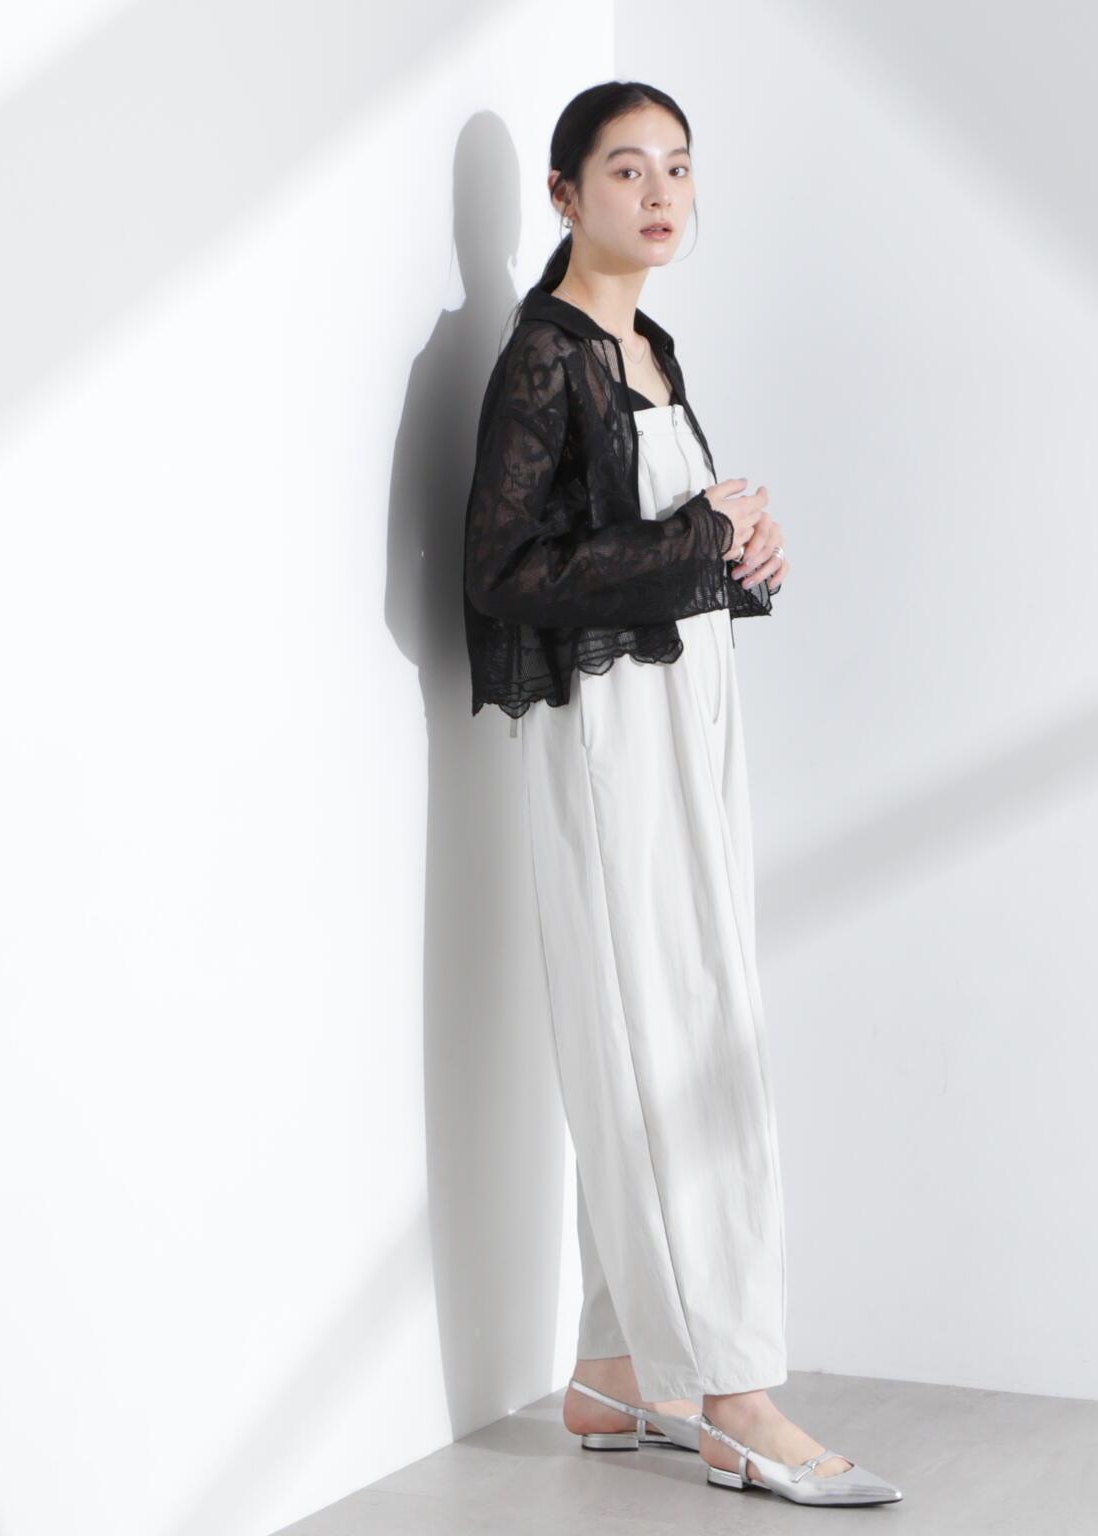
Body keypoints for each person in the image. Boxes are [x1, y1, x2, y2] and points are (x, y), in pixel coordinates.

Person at [461, 82, 902, 1508]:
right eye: (626, 170)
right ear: (563, 194)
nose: (660, 196)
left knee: (679, 1015)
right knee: (672, 1034)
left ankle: (610, 1371)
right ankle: (734, 1395)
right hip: (608, 742)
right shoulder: (545, 357)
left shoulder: (650, 348)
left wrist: (737, 554)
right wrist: (690, 539)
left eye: (679, 170)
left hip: (690, 719)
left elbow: (652, 547)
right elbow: (503, 574)